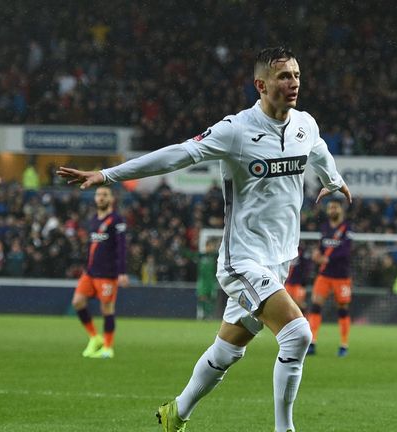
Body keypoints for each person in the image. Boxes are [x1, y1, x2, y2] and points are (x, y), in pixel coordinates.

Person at [58, 46, 351, 432]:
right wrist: (109, 175)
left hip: (279, 262)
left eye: (296, 75)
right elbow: (179, 154)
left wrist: (333, 180)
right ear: (261, 85)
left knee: (228, 350)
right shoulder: (237, 130)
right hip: (241, 260)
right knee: (297, 335)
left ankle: (175, 413)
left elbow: (318, 149)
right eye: (284, 76)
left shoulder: (304, 125)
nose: (293, 82)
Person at [71, 185, 128, 359]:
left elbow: (121, 247)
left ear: (111, 199)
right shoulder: (94, 219)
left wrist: (122, 272)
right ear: (95, 198)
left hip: (108, 274)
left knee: (106, 309)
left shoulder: (116, 220)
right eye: (98, 195)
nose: (101, 197)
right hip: (90, 272)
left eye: (105, 195)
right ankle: (95, 338)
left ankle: (108, 348)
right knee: (78, 302)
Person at [307, 199, 353, 357]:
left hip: (341, 276)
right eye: (330, 208)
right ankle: (312, 342)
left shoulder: (347, 227)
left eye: (335, 207)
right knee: (315, 305)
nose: (332, 210)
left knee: (342, 309)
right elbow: (322, 246)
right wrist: (317, 254)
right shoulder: (325, 227)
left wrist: (327, 259)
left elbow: (346, 250)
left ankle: (344, 345)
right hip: (324, 275)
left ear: (341, 209)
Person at [284, 242, 312, 314]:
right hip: (288, 282)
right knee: (286, 302)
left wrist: (303, 281)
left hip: (298, 283)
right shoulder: (286, 250)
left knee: (299, 302)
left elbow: (307, 267)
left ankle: (306, 318)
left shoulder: (302, 252)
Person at [196, 239, 219, 320]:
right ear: (206, 247)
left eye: (211, 246)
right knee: (202, 297)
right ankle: (204, 314)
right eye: (208, 246)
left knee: (211, 299)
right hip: (202, 281)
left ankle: (209, 315)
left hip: (211, 281)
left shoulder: (215, 256)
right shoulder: (201, 256)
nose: (210, 248)